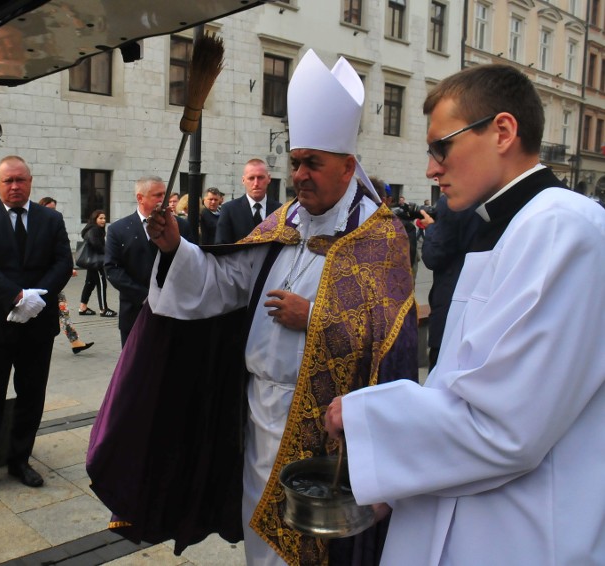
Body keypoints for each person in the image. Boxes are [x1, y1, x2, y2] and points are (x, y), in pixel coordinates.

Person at [89, 51, 418, 564]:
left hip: (321, 430)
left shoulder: (380, 239)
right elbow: (226, 280)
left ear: (349, 165)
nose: (301, 174)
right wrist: (177, 247)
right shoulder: (284, 222)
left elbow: (394, 342)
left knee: (312, 549)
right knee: (260, 539)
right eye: (296, 161)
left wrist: (314, 317)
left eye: (314, 163)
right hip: (255, 411)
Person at [324, 64, 605, 565]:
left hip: (520, 532)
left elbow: (506, 424)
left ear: (502, 132)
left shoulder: (562, 228)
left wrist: (370, 421)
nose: (432, 168)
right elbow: (463, 382)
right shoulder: (510, 225)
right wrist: (395, 474)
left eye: (441, 146)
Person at [0, 156, 72, 503]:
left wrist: (39, 297)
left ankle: (20, 461)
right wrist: (18, 295)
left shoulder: (51, 219)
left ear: (31, 181)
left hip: (37, 327)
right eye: (8, 181)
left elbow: (64, 261)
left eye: (20, 180)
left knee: (31, 397)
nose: (15, 186)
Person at [104, 175, 191, 346]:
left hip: (175, 312)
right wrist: (145, 297)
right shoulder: (118, 230)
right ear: (140, 198)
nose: (164, 200)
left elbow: (192, 263)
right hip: (134, 313)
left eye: (164, 194)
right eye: (158, 195)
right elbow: (112, 269)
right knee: (135, 369)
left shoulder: (181, 226)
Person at [419, 195, 481, 370]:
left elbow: (433, 257)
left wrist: (431, 229)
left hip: (449, 305)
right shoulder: (490, 198)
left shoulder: (454, 201)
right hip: (479, 309)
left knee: (440, 376)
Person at [37, 197, 98, 352]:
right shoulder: (36, 227)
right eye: (49, 209)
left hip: (53, 279)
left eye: (54, 209)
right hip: (40, 280)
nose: (53, 212)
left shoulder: (53, 226)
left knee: (62, 310)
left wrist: (65, 268)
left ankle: (75, 341)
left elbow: (60, 251)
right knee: (52, 311)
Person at [215, 158, 281, 244]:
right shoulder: (229, 210)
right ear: (243, 180)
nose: (256, 183)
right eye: (251, 178)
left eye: (260, 177)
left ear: (269, 179)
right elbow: (221, 247)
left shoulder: (280, 210)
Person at [78, 209, 116, 318]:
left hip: (92, 261)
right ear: (95, 219)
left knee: (89, 283)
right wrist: (108, 251)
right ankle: (103, 309)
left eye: (104, 218)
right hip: (97, 262)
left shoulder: (92, 229)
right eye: (100, 218)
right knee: (102, 283)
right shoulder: (94, 230)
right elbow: (96, 245)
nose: (103, 220)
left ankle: (83, 307)